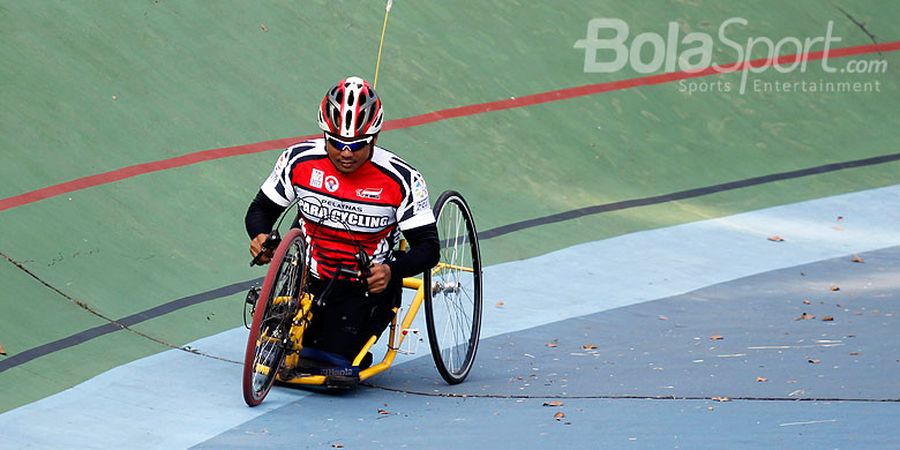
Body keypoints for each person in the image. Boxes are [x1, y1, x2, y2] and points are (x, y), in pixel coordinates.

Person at [244, 76, 439, 382]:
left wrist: (390, 271)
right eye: (336, 143)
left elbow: (428, 249)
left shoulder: (402, 179)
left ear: (374, 138)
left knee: (330, 362)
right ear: (324, 134)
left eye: (357, 145)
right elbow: (260, 211)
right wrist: (261, 236)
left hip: (364, 285)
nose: (346, 153)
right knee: (285, 351)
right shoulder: (299, 160)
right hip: (310, 277)